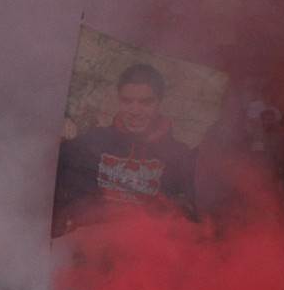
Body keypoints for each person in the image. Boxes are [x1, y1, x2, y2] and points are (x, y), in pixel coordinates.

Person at [53, 63, 197, 235]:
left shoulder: (179, 156)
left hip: (146, 246)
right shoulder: (93, 141)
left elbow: (191, 211)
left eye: (146, 102)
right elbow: (48, 167)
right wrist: (61, 122)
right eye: (127, 101)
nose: (135, 111)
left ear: (159, 102)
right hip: (89, 240)